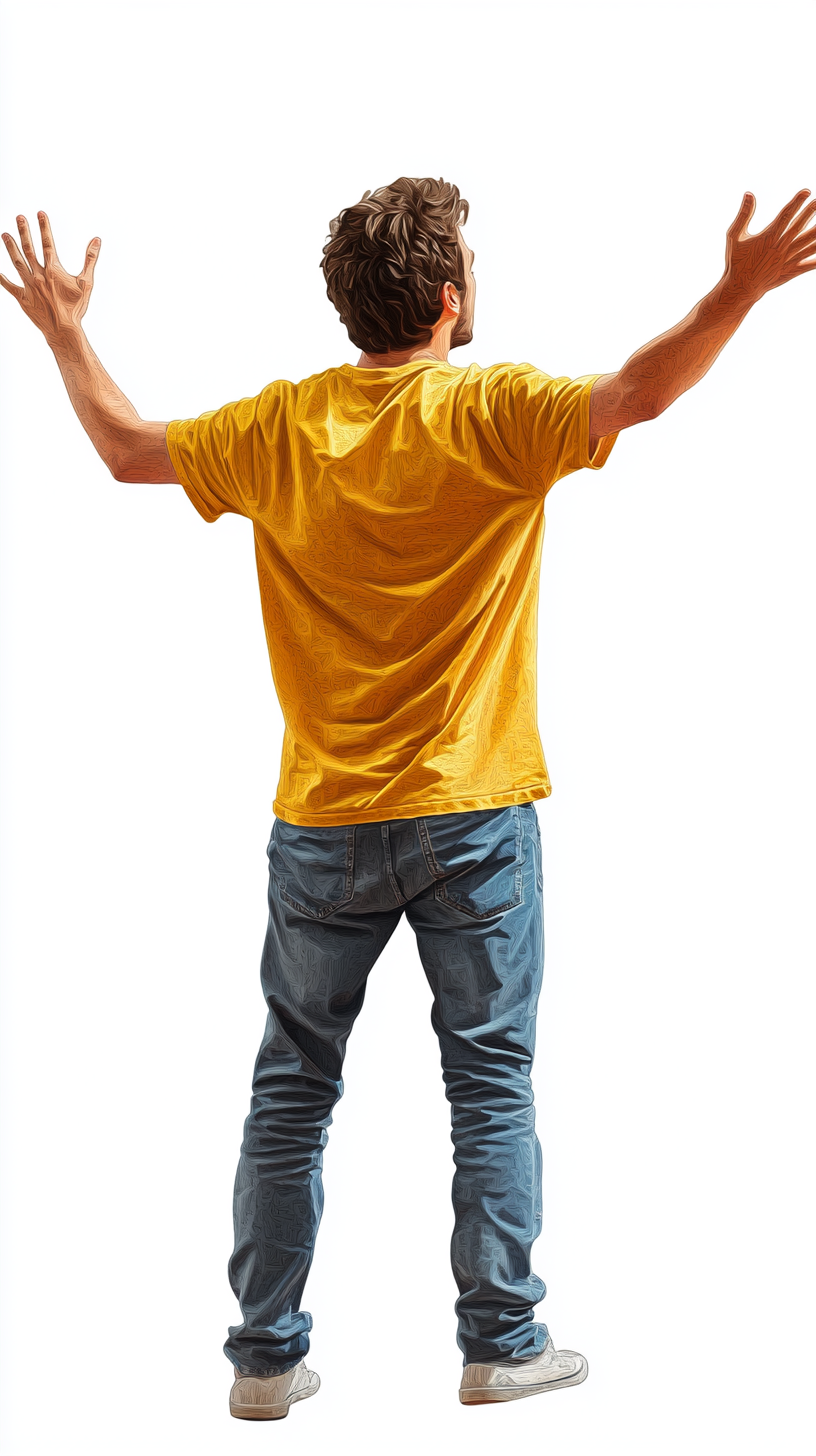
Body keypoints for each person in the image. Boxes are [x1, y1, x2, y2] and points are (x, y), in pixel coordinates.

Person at [2, 176, 814, 1419]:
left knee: (292, 1086)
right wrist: (739, 291)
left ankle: (263, 1363)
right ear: (447, 298)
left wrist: (64, 333)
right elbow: (637, 396)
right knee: (488, 1080)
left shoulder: (280, 428)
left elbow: (124, 450)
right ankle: (500, 1343)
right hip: (474, 817)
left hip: (322, 824)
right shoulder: (492, 412)